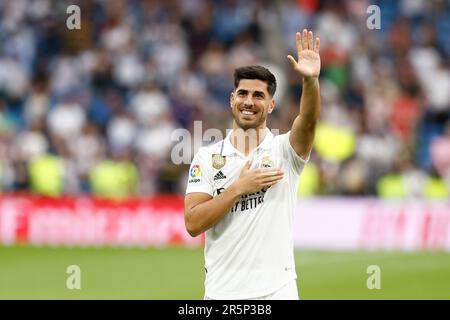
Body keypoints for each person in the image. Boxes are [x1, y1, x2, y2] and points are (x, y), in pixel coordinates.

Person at [184, 29, 321, 300]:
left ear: (271, 105)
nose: (249, 101)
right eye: (243, 93)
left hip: (277, 292)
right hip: (222, 294)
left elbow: (308, 121)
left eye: (258, 96)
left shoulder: (285, 150)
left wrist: (310, 82)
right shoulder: (207, 159)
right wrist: (237, 188)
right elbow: (192, 223)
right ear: (232, 99)